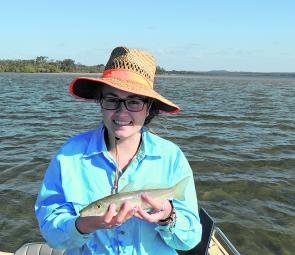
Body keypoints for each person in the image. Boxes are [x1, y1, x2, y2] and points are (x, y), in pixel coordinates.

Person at [35, 46, 202, 254]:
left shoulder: (172, 157)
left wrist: (168, 215)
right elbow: (51, 232)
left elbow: (190, 239)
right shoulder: (68, 156)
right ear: (100, 102)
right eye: (112, 100)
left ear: (149, 107)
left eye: (134, 101)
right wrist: (85, 225)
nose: (122, 112)